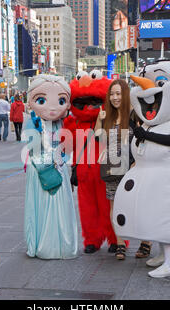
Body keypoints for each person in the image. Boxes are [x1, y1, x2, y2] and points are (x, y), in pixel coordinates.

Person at [113, 61, 170, 278]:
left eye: (160, 82)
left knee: (166, 220)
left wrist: (145, 135)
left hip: (169, 180)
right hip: (151, 179)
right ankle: (161, 255)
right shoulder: (150, 123)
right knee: (156, 219)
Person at [94, 79, 152, 260]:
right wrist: (99, 119)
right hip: (112, 167)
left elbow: (144, 140)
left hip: (133, 168)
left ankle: (146, 243)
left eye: (118, 93)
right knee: (114, 205)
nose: (115, 97)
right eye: (112, 94)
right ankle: (120, 244)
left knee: (138, 206)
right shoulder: (108, 116)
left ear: (125, 95)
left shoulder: (134, 115)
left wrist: (137, 163)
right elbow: (99, 138)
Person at [23, 75, 78, 260]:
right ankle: (42, 244)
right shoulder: (32, 122)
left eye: (61, 101)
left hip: (59, 168)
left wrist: (61, 159)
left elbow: (68, 147)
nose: (53, 107)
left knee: (60, 206)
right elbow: (33, 148)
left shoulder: (65, 123)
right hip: (39, 170)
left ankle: (61, 244)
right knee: (41, 206)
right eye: (41, 100)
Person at [63, 70, 118, 254]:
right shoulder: (73, 123)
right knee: (87, 208)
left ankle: (115, 239)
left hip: (106, 171)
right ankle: (92, 239)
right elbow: (66, 147)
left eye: (93, 102)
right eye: (82, 103)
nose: (88, 107)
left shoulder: (110, 120)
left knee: (108, 205)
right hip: (83, 172)